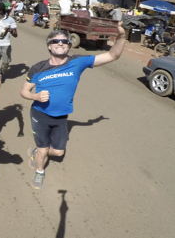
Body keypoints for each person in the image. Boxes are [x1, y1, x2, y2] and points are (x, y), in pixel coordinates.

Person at [20, 23, 126, 189]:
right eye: (56, 41)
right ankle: (40, 171)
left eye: (64, 41)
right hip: (39, 115)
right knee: (43, 150)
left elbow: (113, 55)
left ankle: (35, 152)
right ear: (49, 46)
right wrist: (35, 96)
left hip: (62, 117)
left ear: (69, 46)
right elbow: (24, 92)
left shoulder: (78, 62)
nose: (60, 43)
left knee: (58, 152)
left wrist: (121, 37)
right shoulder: (37, 68)